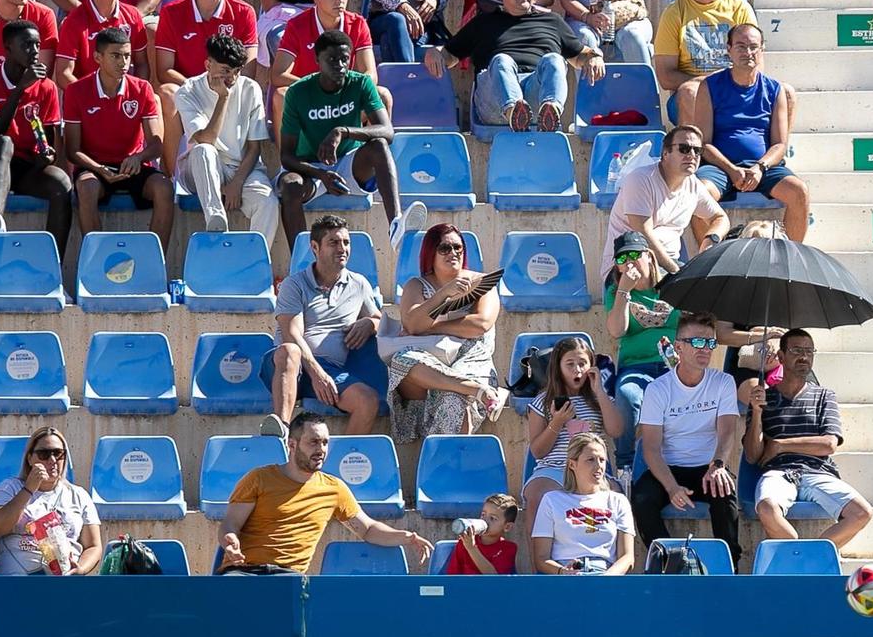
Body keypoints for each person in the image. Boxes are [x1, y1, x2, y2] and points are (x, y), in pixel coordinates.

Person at [220, 410, 431, 574]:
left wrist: (406, 537)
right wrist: (229, 541)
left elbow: (367, 529)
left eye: (325, 442)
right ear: (291, 444)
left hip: (288, 577)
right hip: (243, 572)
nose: (321, 449)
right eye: (313, 442)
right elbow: (230, 524)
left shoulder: (333, 488)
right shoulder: (258, 478)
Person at [276, 30, 422, 250]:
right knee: (290, 186)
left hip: (348, 164)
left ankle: (395, 224)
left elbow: (387, 131)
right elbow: (286, 156)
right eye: (332, 59)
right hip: (311, 168)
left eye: (345, 59)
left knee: (379, 145)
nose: (340, 65)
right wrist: (320, 174)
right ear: (317, 60)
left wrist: (343, 131)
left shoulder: (360, 83)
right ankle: (301, 258)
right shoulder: (298, 92)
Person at [432, 0, 602, 134]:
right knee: (502, 60)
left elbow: (579, 55)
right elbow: (449, 55)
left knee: (554, 59)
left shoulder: (552, 21)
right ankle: (513, 111)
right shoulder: (483, 23)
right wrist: (434, 53)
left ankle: (551, 111)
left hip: (535, 95)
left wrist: (594, 57)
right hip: (495, 98)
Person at [742, 328, 873, 555]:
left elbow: (829, 444)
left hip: (817, 472)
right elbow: (753, 455)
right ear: (781, 357)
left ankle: (809, 556)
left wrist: (781, 445)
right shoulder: (764, 397)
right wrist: (756, 412)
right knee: (766, 508)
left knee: (862, 512)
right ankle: (802, 555)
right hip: (779, 472)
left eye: (809, 351)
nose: (804, 356)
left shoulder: (824, 396)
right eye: (796, 350)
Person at [631, 313, 743, 567]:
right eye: (698, 342)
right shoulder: (658, 389)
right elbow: (650, 448)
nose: (706, 349)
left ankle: (728, 566)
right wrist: (671, 487)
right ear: (678, 347)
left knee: (725, 492)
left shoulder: (723, 382)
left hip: (708, 466)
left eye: (711, 343)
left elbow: (727, 432)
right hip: (668, 468)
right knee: (642, 499)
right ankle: (671, 563)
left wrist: (718, 465)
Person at [378, 219, 503, 441]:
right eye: (444, 248)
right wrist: (443, 294)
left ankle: (443, 462)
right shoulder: (416, 286)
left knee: (452, 397)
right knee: (401, 360)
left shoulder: (482, 283)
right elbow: (413, 325)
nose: (453, 253)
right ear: (430, 253)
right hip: (429, 363)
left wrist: (433, 328)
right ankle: (473, 389)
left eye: (458, 247)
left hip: (471, 359)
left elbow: (480, 325)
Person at [682, 23, 807, 242]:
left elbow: (779, 145)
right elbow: (705, 143)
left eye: (753, 47)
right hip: (720, 167)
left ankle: (792, 258)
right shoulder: (709, 86)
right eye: (740, 46)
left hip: (763, 167)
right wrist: (731, 170)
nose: (747, 52)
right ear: (728, 49)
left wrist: (759, 168)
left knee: (799, 192)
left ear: (762, 49)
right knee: (698, 193)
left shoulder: (775, 89)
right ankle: (708, 264)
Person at [265, 216, 387, 436]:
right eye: (334, 242)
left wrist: (370, 323)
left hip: (332, 369)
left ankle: (340, 465)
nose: (343, 248)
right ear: (315, 247)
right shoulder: (294, 284)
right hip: (289, 366)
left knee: (368, 401)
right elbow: (291, 334)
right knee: (289, 350)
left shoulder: (359, 284)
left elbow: (380, 319)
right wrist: (317, 373)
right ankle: (281, 433)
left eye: (346, 243)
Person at [61, 27, 170, 250]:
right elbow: (72, 150)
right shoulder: (76, 91)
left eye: (127, 56)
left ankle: (155, 263)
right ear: (97, 57)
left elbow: (156, 145)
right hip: (94, 167)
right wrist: (99, 169)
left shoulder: (142, 89)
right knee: (87, 187)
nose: (124, 62)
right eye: (116, 56)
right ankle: (96, 263)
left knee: (164, 188)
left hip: (133, 166)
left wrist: (138, 158)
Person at [0, 18, 70, 241]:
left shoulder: (46, 86)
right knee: (4, 143)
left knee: (61, 182)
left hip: (24, 165)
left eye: (37, 45)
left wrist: (46, 156)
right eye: (26, 45)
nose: (34, 51)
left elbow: (49, 144)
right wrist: (20, 89)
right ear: (7, 49)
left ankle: (53, 264)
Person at [173, 33, 275, 241]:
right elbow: (206, 139)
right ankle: (216, 222)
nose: (233, 78)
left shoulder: (250, 88)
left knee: (268, 203)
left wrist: (237, 182)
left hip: (242, 169)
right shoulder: (188, 91)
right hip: (201, 170)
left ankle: (254, 264)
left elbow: (255, 148)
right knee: (204, 150)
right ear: (208, 64)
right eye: (226, 71)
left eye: (237, 71)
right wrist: (223, 98)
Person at [523, 334, 623, 540]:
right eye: (570, 364)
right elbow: (538, 451)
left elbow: (616, 431)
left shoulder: (599, 400)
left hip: (591, 468)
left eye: (582, 363)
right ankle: (538, 569)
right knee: (536, 497)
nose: (577, 370)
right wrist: (557, 422)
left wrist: (601, 393)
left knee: (616, 494)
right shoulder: (543, 402)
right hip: (553, 469)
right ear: (558, 368)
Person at [601, 124, 728, 278]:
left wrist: (710, 241)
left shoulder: (693, 184)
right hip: (628, 267)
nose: (692, 155)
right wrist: (676, 272)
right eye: (684, 148)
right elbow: (643, 235)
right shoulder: (640, 179)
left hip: (669, 267)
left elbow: (720, 218)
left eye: (697, 150)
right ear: (666, 152)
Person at [0, 427, 103, 576]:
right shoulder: (10, 487)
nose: (52, 460)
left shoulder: (79, 495)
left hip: (63, 581)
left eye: (58, 453)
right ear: (29, 458)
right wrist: (29, 489)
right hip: (15, 582)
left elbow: (93, 546)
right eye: (44, 454)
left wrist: (81, 569)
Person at [605, 232, 674, 471]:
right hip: (635, 366)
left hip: (674, 366)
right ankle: (626, 465)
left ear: (650, 256)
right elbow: (616, 331)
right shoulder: (615, 290)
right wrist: (624, 290)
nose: (629, 262)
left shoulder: (673, 285)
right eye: (622, 259)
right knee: (627, 395)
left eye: (635, 254)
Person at [651, 0, 755, 96]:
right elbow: (666, 77)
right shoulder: (674, 13)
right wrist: (710, 86)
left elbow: (755, 63)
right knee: (690, 92)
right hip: (694, 92)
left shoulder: (740, 9)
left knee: (786, 94)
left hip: (733, 91)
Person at [153, 0, 256, 92]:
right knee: (167, 91)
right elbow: (164, 71)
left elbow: (248, 70)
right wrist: (201, 89)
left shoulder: (244, 12)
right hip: (189, 90)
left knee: (252, 89)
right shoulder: (171, 12)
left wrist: (222, 88)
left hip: (229, 90)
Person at [533, 431, 637, 574]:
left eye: (602, 460)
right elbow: (541, 558)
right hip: (567, 574)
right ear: (572, 464)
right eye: (591, 460)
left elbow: (627, 557)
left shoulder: (618, 501)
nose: (599, 466)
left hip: (606, 572)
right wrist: (563, 572)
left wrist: (608, 576)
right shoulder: (551, 500)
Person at [50, 0, 148, 86]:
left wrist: (135, 92)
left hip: (124, 96)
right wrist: (93, 98)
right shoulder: (74, 20)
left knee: (154, 100)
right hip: (87, 99)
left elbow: (141, 63)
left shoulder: (133, 15)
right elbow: (64, 74)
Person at [273, 0, 375, 91]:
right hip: (309, 93)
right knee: (281, 94)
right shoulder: (296, 25)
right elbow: (278, 75)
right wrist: (320, 86)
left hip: (344, 92)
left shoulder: (358, 24)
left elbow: (371, 74)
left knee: (383, 95)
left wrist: (346, 87)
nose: (340, 0)